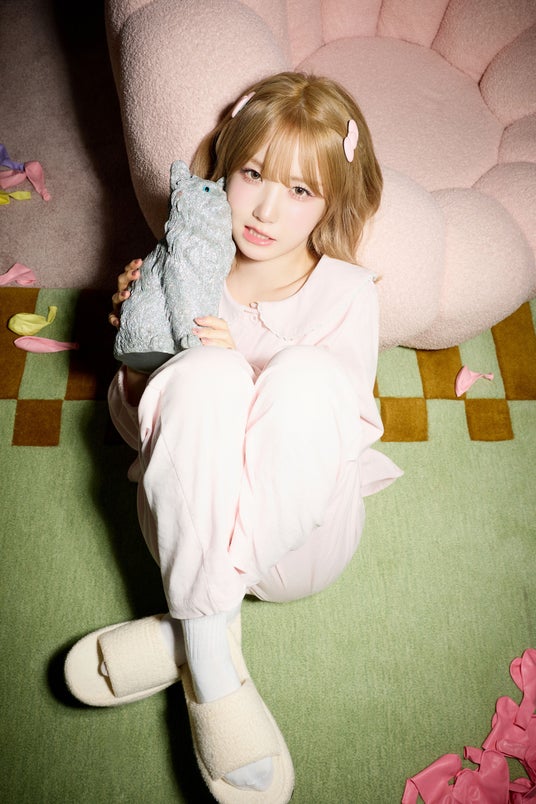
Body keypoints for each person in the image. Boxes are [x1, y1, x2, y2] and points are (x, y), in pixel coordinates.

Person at [65, 71, 402, 804]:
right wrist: (140, 359)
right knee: (201, 375)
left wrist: (248, 363)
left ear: (332, 203)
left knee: (306, 376)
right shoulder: (188, 266)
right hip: (189, 521)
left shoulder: (345, 293)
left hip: (296, 544)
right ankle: (211, 661)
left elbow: (336, 436)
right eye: (253, 175)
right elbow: (138, 436)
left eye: (301, 190)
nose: (267, 209)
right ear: (225, 168)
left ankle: (187, 629)